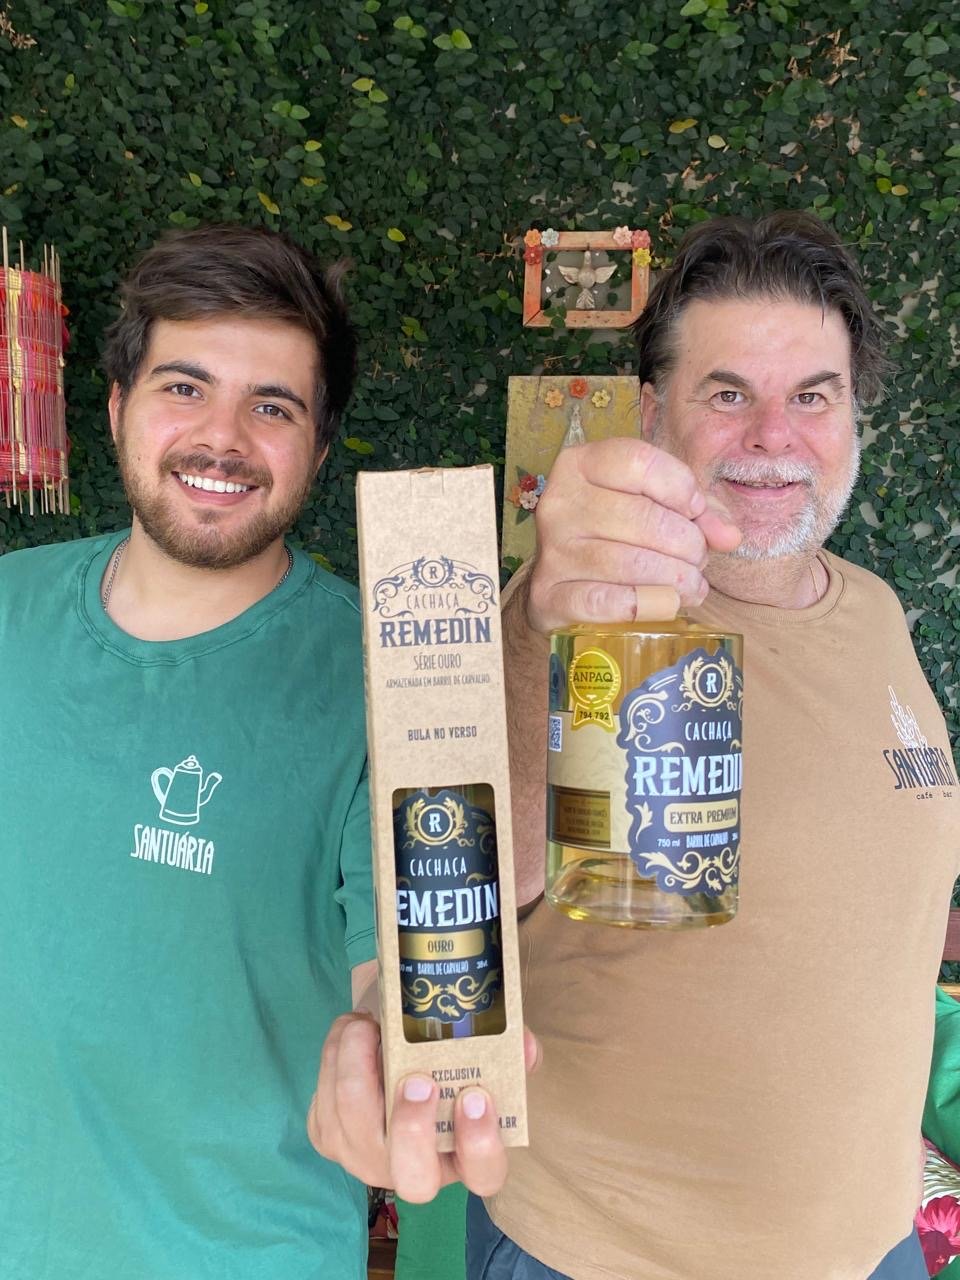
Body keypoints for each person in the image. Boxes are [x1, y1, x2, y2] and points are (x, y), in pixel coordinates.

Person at [313, 211, 958, 1279]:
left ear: (855, 416)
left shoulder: (877, 612)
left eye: (813, 396)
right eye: (727, 394)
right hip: (609, 1253)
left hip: (871, 1247)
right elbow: (479, 870)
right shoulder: (597, 615)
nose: (774, 435)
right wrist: (539, 616)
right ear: (654, 413)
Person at [0, 224, 509, 1280]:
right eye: (184, 387)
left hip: (243, 1252)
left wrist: (400, 1074)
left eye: (272, 407)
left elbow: (403, 966)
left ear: (317, 450)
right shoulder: (8, 609)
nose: (221, 438)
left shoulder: (394, 681)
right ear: (117, 407)